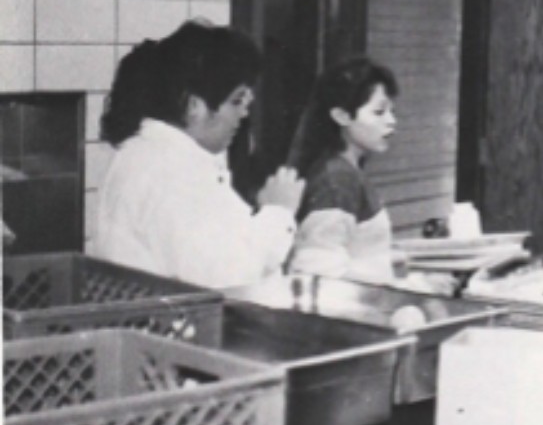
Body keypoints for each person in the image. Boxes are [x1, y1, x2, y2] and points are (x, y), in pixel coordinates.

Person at [95, 20, 305, 289]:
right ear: (193, 106)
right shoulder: (172, 171)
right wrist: (278, 212)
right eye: (236, 101)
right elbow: (228, 277)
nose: (243, 114)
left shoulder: (147, 152)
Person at [286, 56, 399, 281]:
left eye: (391, 111)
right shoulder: (337, 179)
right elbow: (321, 273)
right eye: (379, 112)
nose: (391, 121)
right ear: (341, 116)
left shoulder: (348, 171)